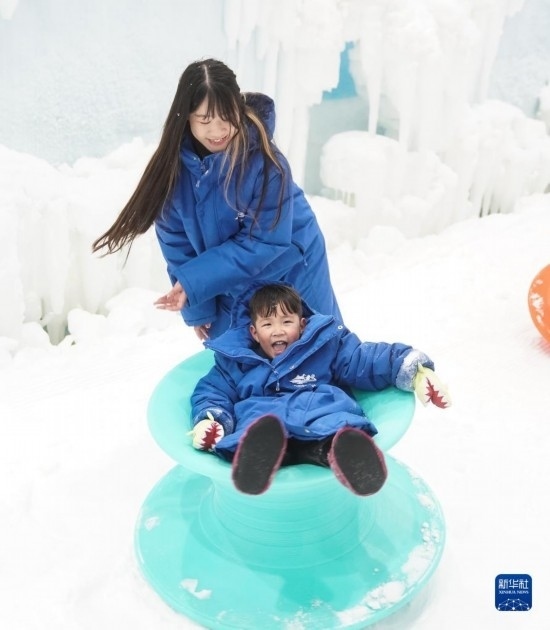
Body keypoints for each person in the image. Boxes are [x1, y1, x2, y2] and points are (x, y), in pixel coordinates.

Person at [92, 58, 341, 341]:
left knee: (315, 346)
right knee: (234, 352)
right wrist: (198, 306)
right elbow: (178, 245)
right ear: (186, 117)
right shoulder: (172, 172)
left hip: (289, 264)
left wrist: (195, 283)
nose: (218, 130)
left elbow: (265, 241)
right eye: (205, 120)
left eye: (226, 116)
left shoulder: (266, 163)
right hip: (223, 277)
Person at [190, 283, 451, 496]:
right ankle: (257, 458)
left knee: (332, 427)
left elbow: (363, 359)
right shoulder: (236, 362)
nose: (277, 331)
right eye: (267, 324)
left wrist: (414, 370)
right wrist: (212, 419)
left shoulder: (324, 346)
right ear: (254, 332)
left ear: (302, 325)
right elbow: (213, 391)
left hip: (317, 414)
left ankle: (345, 453)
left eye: (286, 322)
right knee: (258, 426)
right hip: (265, 421)